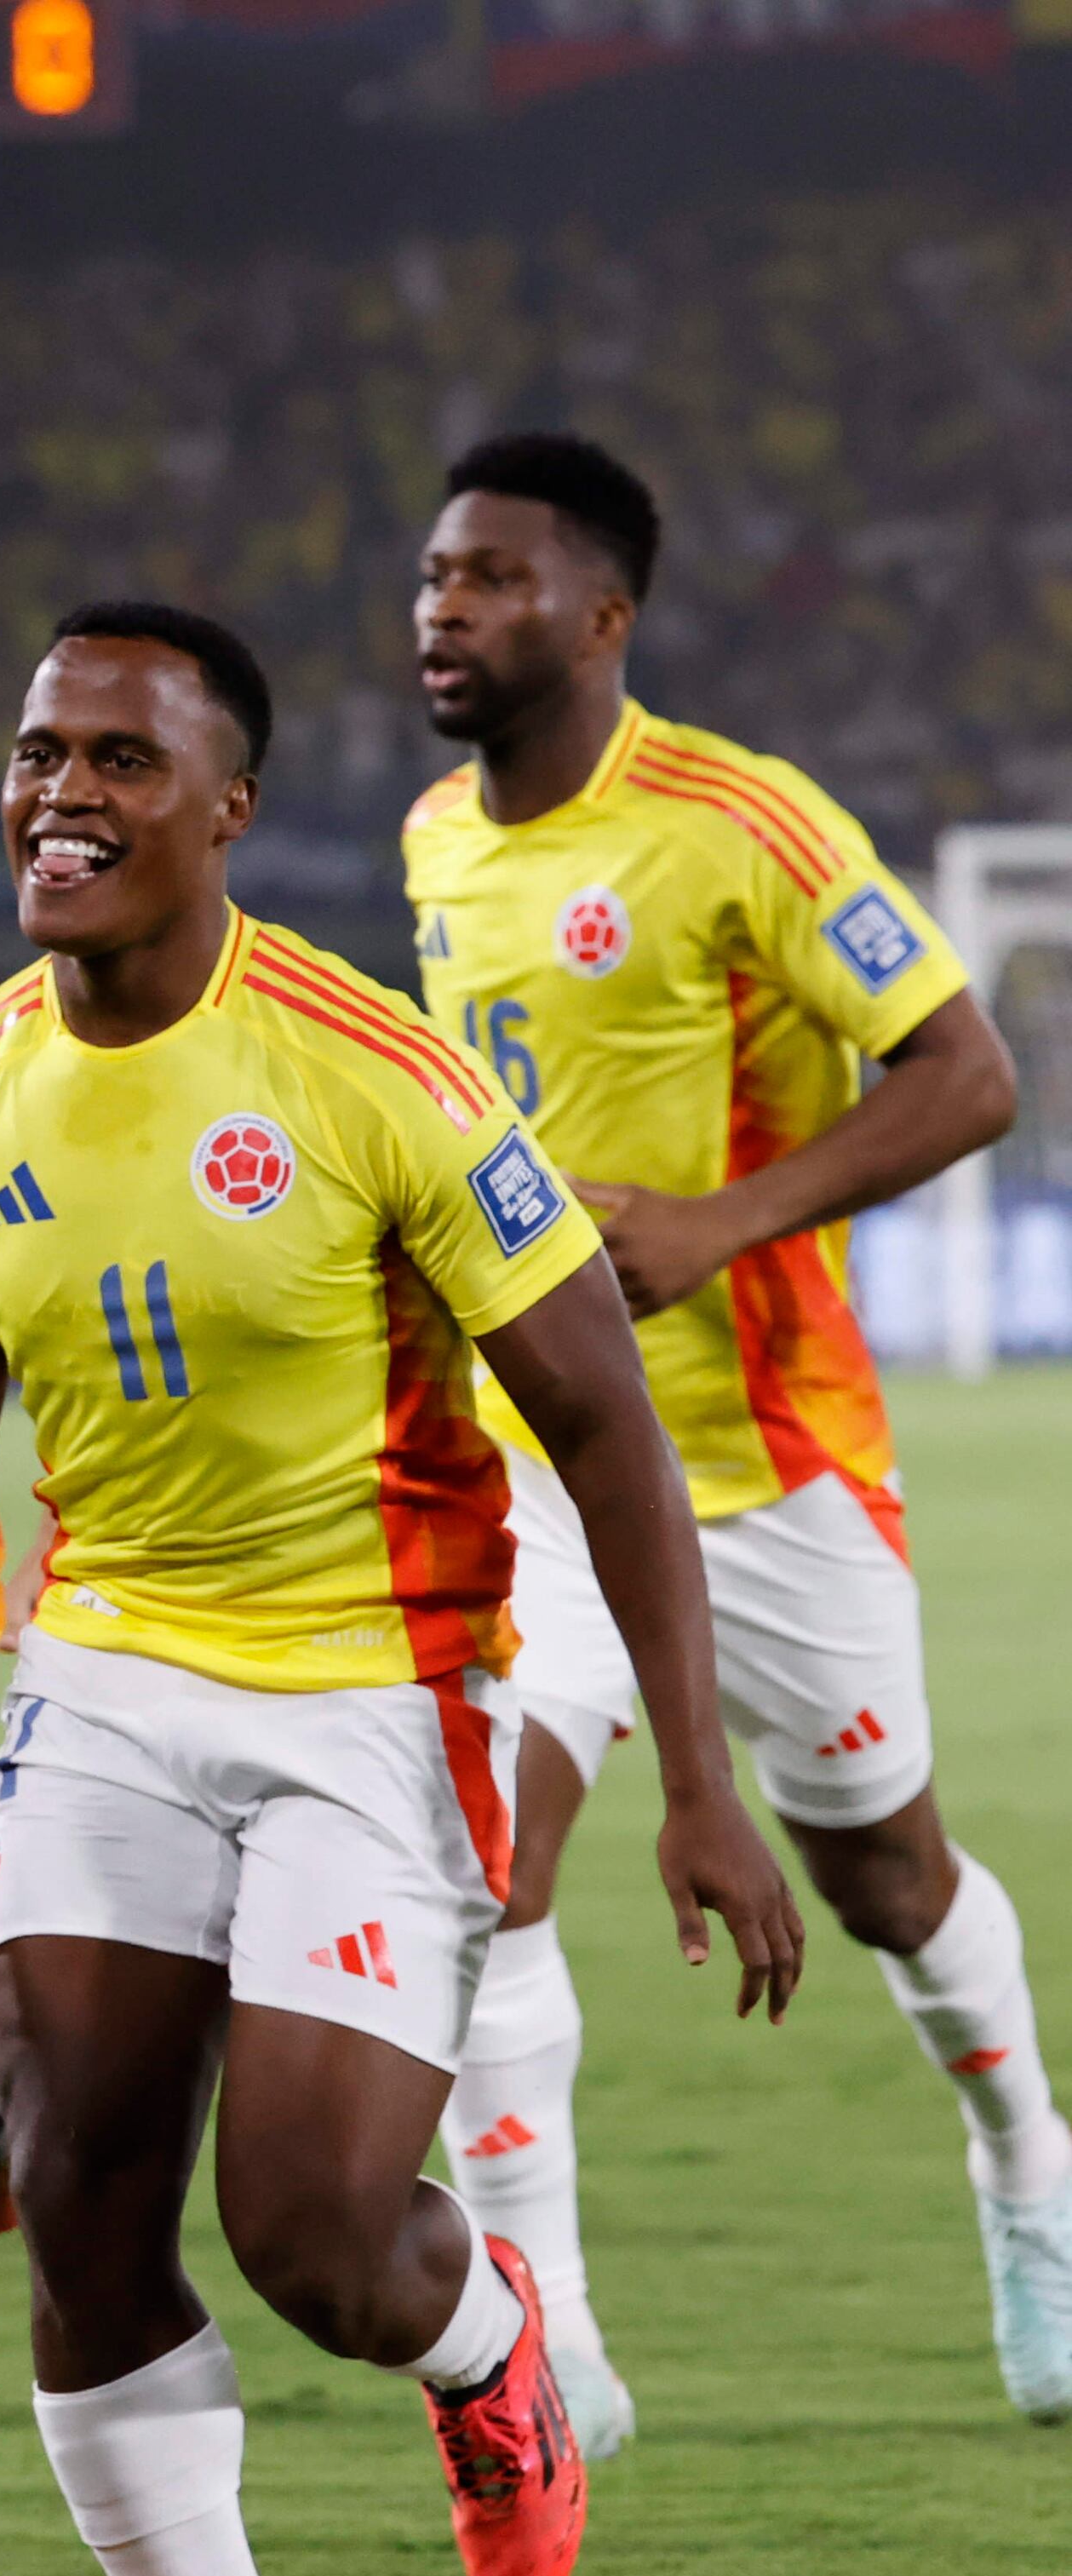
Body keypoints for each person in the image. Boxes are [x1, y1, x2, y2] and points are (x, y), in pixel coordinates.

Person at [0, 605, 801, 2576]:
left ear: (227, 810)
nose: (64, 791)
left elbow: (606, 1425)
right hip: (108, 1683)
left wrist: (699, 1779)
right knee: (83, 2189)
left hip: (375, 1690)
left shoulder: (375, 1072)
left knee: (314, 2231)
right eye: (40, 749)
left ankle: (483, 2336)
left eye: (124, 760)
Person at [402, 432, 1063, 2433]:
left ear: (603, 619)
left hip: (761, 1457)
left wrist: (715, 1225)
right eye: (434, 575)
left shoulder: (736, 824)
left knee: (881, 1875)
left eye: (494, 580)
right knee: (488, 1853)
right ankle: (555, 2334)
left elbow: (967, 1073)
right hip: (536, 1455)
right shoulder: (438, 838)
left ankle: (1026, 2160)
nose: (444, 609)